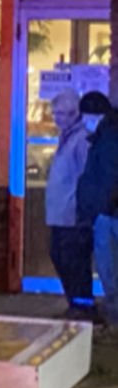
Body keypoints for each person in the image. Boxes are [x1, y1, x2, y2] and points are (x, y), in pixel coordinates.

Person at [46, 89, 94, 320]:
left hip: (72, 215)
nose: (57, 119)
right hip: (61, 214)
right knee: (61, 256)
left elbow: (86, 176)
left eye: (61, 114)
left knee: (73, 261)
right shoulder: (66, 138)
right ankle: (76, 304)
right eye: (55, 114)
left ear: (74, 113)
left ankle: (82, 306)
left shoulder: (81, 139)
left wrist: (81, 210)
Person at [74, 91, 118, 325]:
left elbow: (110, 176)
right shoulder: (105, 135)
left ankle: (114, 320)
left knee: (110, 268)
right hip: (106, 212)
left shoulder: (108, 138)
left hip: (108, 215)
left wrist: (100, 209)